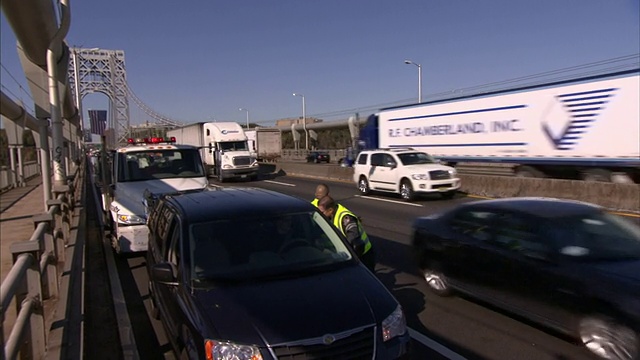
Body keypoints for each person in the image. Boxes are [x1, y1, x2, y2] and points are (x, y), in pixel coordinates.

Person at [317, 196, 375, 272]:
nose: (320, 215)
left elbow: (353, 237)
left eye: (322, 212)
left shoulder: (346, 218)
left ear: (330, 210)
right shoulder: (330, 216)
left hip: (362, 255)